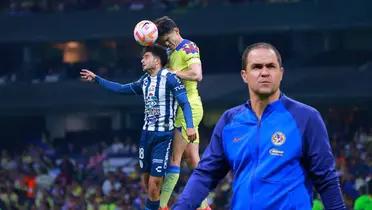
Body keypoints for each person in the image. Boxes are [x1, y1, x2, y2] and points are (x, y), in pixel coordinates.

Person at [172, 42, 346, 209]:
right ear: (244, 75)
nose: (264, 72)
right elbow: (205, 175)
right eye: (256, 67)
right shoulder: (229, 121)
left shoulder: (306, 118)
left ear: (281, 73)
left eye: (270, 66)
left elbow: (326, 180)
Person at [80, 46, 196, 210]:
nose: (142, 60)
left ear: (156, 60)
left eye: (146, 57)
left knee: (155, 183)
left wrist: (190, 126)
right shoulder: (145, 81)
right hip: (146, 136)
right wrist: (97, 79)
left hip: (163, 137)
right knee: (147, 183)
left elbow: (185, 103)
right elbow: (121, 89)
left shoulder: (170, 78)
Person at [153, 16, 209, 210]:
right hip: (183, 108)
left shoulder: (189, 47)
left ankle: (161, 205)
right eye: (163, 42)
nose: (167, 43)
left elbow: (197, 74)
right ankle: (204, 206)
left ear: (176, 30)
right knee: (192, 160)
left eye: (168, 39)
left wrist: (173, 73)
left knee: (174, 159)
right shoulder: (171, 52)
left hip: (189, 108)